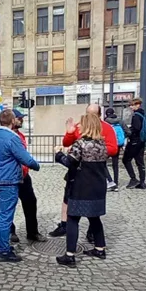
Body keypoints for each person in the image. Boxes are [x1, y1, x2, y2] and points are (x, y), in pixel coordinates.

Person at [54, 112, 115, 267]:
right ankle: (100, 248)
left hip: (81, 186)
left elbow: (70, 162)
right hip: (98, 187)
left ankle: (69, 255)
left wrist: (58, 154)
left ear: (87, 126)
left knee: (73, 218)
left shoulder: (80, 144)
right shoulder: (102, 145)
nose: (78, 126)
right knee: (95, 218)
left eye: (81, 123)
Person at [50, 103, 118, 237]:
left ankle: (93, 231)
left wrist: (89, 151)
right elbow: (66, 143)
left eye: (92, 114)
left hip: (94, 169)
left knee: (92, 202)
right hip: (76, 169)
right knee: (67, 198)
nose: (89, 116)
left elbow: (113, 148)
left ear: (99, 115)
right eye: (87, 113)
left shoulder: (107, 128)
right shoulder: (80, 126)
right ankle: (64, 225)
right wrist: (69, 133)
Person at [0, 109, 41, 262]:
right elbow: (27, 160)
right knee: (5, 217)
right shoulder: (12, 138)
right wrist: (37, 165)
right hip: (8, 181)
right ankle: (4, 251)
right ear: (12, 121)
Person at [9, 110, 46, 244]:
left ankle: (32, 232)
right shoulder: (6, 136)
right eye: (19, 118)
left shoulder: (21, 136)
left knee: (31, 203)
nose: (22, 120)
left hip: (24, 176)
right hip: (12, 177)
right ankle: (10, 232)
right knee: (9, 205)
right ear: (12, 120)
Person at [122, 98, 146, 190]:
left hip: (135, 141)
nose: (131, 107)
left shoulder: (136, 115)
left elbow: (136, 128)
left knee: (126, 160)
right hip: (141, 141)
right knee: (140, 162)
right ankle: (142, 182)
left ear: (137, 105)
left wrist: (129, 132)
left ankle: (133, 179)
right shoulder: (142, 114)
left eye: (132, 105)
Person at [104, 108, 126, 191]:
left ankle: (110, 181)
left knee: (102, 163)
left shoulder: (105, 122)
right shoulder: (120, 121)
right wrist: (121, 139)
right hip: (118, 145)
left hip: (109, 145)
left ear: (106, 114)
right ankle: (116, 182)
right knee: (115, 164)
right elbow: (128, 132)